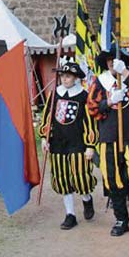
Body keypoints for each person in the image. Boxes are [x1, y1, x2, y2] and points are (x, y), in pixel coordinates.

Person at [88, 47, 129, 236]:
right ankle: (121, 218)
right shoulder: (100, 81)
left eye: (115, 59)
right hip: (109, 134)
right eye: (108, 59)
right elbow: (92, 108)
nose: (111, 62)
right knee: (112, 177)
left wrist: (125, 74)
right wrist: (108, 103)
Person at [39, 60, 98, 229]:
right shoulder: (54, 94)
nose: (65, 79)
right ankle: (70, 214)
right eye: (63, 76)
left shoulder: (83, 96)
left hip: (77, 143)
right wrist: (44, 137)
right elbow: (47, 117)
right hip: (58, 143)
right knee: (62, 178)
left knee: (80, 177)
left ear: (76, 78)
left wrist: (90, 145)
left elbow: (90, 122)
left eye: (69, 76)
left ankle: (87, 199)